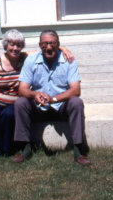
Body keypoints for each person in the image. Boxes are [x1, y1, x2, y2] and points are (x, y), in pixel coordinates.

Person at [0, 29, 74, 159]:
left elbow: (46, 49)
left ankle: (6, 149)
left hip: (12, 103)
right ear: (6, 45)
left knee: (9, 114)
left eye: (18, 45)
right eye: (12, 44)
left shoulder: (25, 57)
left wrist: (63, 48)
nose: (15, 48)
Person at [12, 29, 90, 166]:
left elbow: (76, 90)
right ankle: (25, 147)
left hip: (60, 107)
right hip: (38, 107)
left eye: (52, 43)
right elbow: (22, 89)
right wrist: (35, 94)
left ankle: (79, 150)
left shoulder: (69, 60)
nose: (48, 47)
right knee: (20, 102)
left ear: (58, 44)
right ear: (39, 45)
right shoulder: (31, 60)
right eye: (45, 43)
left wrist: (54, 99)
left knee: (76, 102)